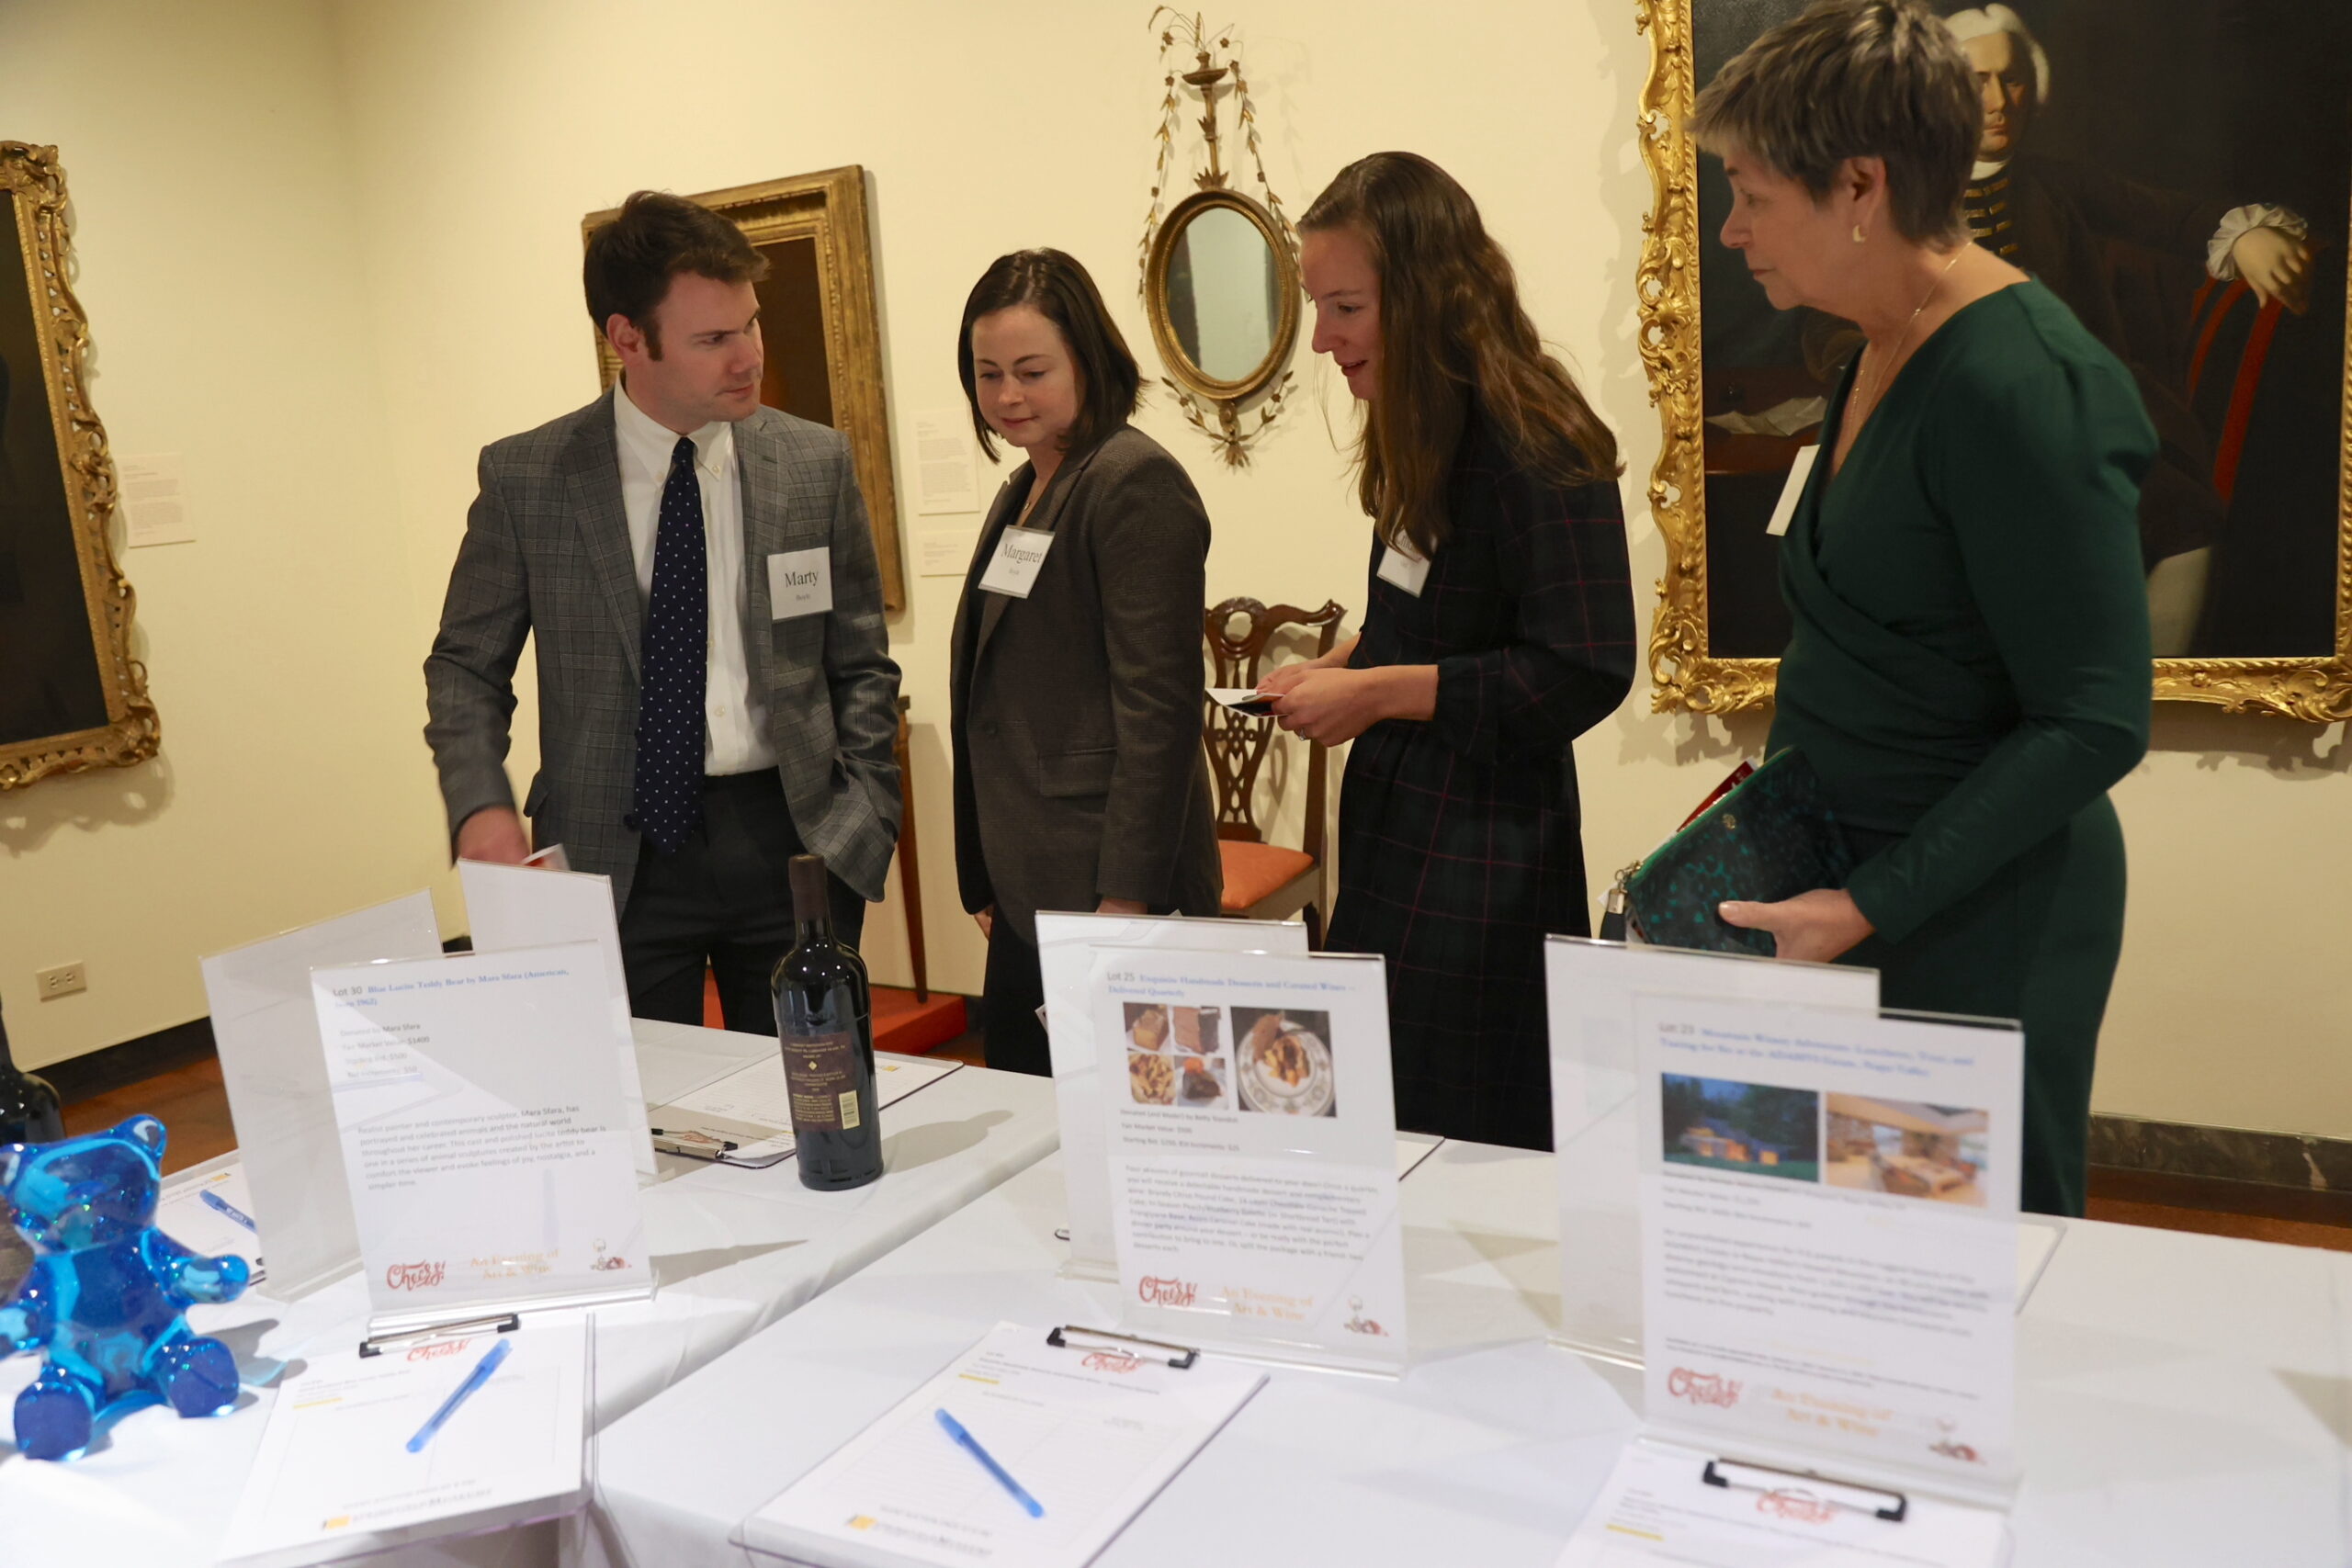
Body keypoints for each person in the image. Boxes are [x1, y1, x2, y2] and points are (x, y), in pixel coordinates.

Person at [1691, 0, 2154, 1215]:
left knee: (1965, 1279)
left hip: (1974, 913)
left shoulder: (2026, 384)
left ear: (1859, 184)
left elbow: (2096, 719)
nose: (1731, 230)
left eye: (1750, 193)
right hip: (1857, 895)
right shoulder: (1870, 348)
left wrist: (1867, 902)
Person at [424, 190, 901, 1033]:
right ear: (627, 339)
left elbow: (859, 660)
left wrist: (863, 817)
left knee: (815, 1103)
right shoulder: (530, 479)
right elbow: (465, 667)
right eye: (714, 339)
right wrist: (480, 805)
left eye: (749, 325)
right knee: (638, 1123)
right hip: (616, 855)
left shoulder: (812, 462)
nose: (748, 355)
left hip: (794, 843)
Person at [1261, 153, 1635, 1151]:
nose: (1322, 340)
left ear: (1425, 294)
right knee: (1377, 1115)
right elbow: (1431, 616)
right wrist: (1348, 664)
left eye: (1344, 306)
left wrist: (1381, 692)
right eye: (1315, 305)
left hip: (1486, 858)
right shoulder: (1417, 424)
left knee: (1456, 1135)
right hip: (1399, 835)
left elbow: (1584, 666)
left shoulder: (1539, 436)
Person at [1943, 5, 2312, 652]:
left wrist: (2248, 234)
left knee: (2184, 524)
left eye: (2012, 77)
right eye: (1975, 81)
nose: (2000, 101)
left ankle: (2145, 696)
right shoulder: (1904, 199)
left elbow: (2178, 218)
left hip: (2090, 410)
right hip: (1958, 422)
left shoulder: (2061, 185)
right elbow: (1835, 322)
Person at [948, 250, 1222, 1076]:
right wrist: (986, 872)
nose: (1007, 395)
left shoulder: (1132, 482)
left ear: (1088, 360)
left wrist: (1125, 897)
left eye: (1032, 370)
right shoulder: (1025, 486)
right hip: (1031, 883)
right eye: (987, 373)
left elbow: (1159, 707)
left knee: (1137, 1132)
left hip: (1110, 887)